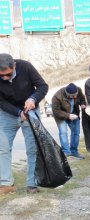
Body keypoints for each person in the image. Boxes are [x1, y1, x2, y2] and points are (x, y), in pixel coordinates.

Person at [0, 53, 48, 195]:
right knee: (2, 148)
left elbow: (42, 86)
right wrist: (17, 112)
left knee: (32, 149)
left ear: (14, 65)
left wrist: (33, 99)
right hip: (8, 113)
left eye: (8, 74)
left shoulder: (26, 67)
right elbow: (0, 101)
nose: (4, 78)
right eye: (1, 76)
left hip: (30, 112)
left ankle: (32, 183)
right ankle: (6, 183)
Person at [52, 83, 87, 159]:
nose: (74, 97)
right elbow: (55, 111)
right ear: (67, 93)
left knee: (76, 132)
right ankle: (66, 152)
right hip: (61, 116)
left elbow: (82, 99)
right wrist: (68, 116)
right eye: (72, 96)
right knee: (63, 133)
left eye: (75, 95)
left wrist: (83, 104)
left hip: (74, 113)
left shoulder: (79, 90)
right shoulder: (57, 96)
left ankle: (74, 151)